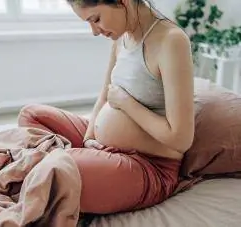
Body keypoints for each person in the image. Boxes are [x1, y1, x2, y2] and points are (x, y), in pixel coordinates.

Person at [18, 0, 195, 214]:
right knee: (31, 116)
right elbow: (104, 96)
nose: (94, 31)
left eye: (96, 19)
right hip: (103, 146)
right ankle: (74, 164)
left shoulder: (171, 41)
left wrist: (126, 104)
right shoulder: (121, 37)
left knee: (53, 170)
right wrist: (88, 138)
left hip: (147, 165)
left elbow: (181, 139)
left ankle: (63, 167)